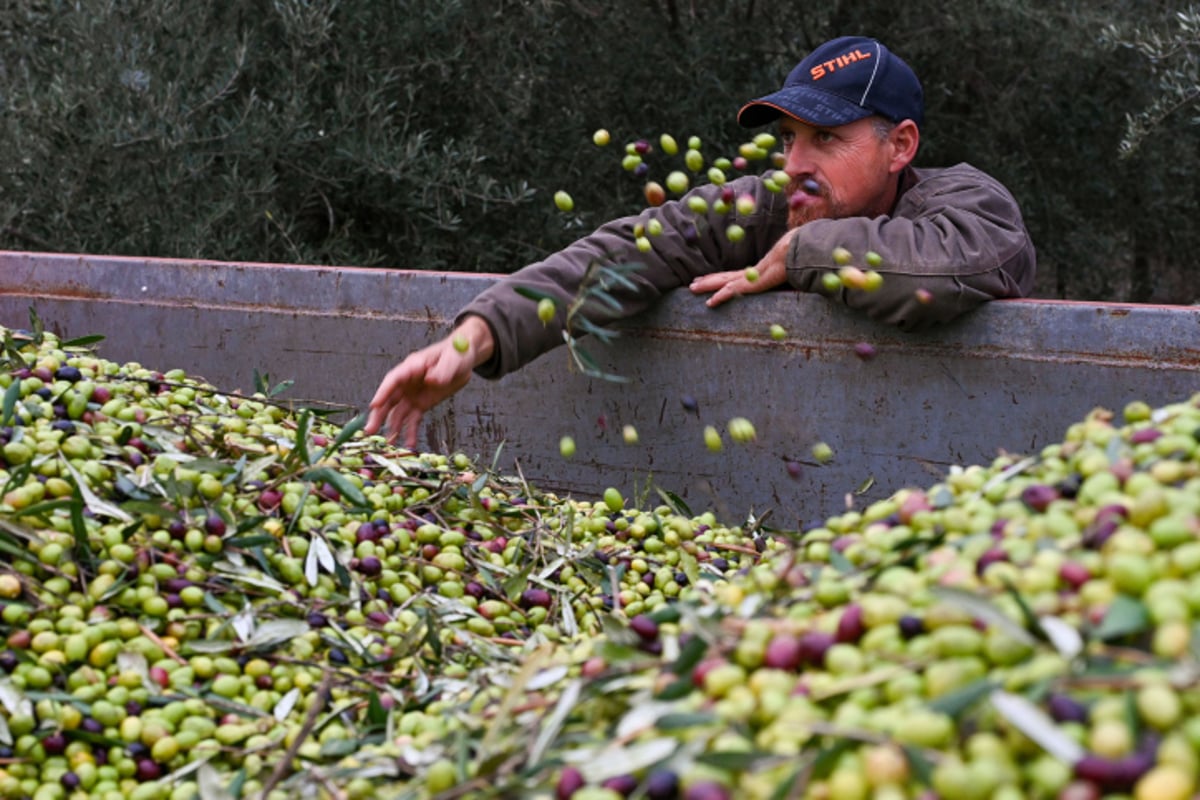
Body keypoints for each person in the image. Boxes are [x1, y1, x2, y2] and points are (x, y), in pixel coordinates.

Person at [365, 36, 1036, 448]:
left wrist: (799, 254)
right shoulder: (763, 208)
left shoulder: (964, 200)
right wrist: (474, 337)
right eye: (788, 140)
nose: (796, 163)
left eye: (826, 139)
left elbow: (949, 267)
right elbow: (626, 251)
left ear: (901, 145)